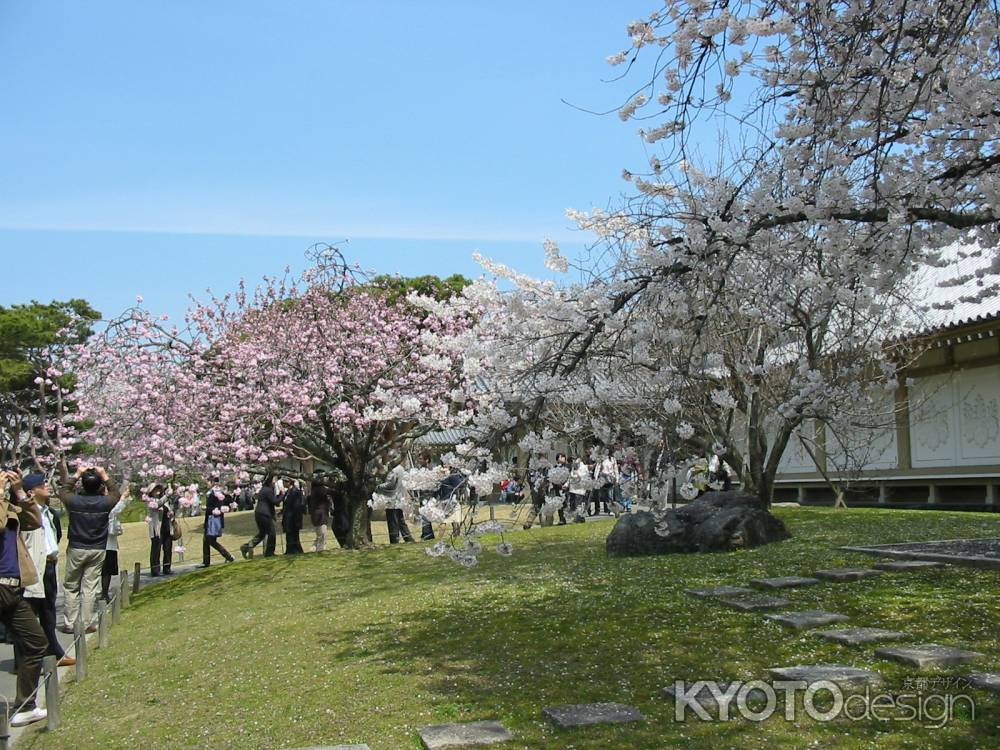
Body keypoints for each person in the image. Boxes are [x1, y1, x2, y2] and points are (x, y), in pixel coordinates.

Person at [0, 470, 51, 727]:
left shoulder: (10, 508)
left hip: (12, 589)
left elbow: (34, 521)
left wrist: (20, 491)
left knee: (36, 642)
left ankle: (25, 706)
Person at [18, 473, 74, 668]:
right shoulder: (25, 514)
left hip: (49, 564)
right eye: (42, 485)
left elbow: (55, 535)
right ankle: (24, 660)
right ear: (31, 492)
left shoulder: (49, 512)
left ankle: (54, 652)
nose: (47, 486)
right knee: (29, 615)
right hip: (34, 567)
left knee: (48, 612)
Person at [59, 463, 119, 633]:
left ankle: (70, 622)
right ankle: (86, 622)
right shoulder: (104, 503)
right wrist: (104, 474)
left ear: (82, 484)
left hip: (77, 547)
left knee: (71, 585)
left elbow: (63, 491)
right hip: (97, 548)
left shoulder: (74, 501)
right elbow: (116, 493)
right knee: (90, 586)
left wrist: (76, 473)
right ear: (99, 485)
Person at [101, 484, 130, 601]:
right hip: (104, 542)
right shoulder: (102, 504)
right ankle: (103, 593)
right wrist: (124, 498)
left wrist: (125, 498)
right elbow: (114, 511)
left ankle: (104, 592)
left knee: (106, 571)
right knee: (105, 570)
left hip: (108, 543)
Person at [375, 465, 414, 544]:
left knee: (393, 522)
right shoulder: (401, 468)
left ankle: (394, 540)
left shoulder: (393, 470)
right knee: (400, 521)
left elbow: (390, 484)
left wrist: (378, 486)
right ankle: (408, 538)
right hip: (399, 499)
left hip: (392, 499)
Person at [241, 475, 279, 558]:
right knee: (272, 533)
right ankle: (270, 552)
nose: (275, 483)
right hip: (264, 514)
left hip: (259, 513)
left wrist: (273, 515)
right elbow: (275, 502)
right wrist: (283, 495)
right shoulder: (268, 490)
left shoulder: (264, 489)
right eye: (274, 481)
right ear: (270, 482)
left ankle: (246, 547)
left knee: (262, 533)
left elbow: (270, 504)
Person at [201, 483, 236, 567]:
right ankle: (206, 561)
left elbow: (216, 508)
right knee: (206, 541)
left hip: (212, 521)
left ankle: (228, 555)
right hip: (213, 520)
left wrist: (206, 508)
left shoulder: (214, 495)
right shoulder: (217, 494)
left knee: (210, 541)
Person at [146, 485, 175, 577]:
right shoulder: (151, 501)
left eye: (159, 489)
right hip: (157, 529)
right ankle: (155, 570)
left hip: (166, 527)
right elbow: (157, 505)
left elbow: (168, 509)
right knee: (156, 549)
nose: (157, 491)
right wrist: (166, 496)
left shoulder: (165, 500)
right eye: (155, 489)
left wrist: (171, 513)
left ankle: (167, 568)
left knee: (167, 548)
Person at [306, 476, 331, 552]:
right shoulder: (321, 489)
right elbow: (333, 492)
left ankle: (314, 548)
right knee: (323, 535)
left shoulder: (313, 491)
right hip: (321, 514)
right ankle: (320, 549)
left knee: (319, 534)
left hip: (315, 515)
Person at [282, 478, 305, 554]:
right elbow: (286, 504)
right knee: (289, 535)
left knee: (293, 535)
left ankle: (295, 551)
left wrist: (297, 520)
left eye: (285, 482)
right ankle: (289, 550)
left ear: (289, 483)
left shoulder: (295, 492)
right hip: (287, 517)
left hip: (293, 518)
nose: (283, 483)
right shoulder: (287, 492)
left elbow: (297, 507)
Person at [568, 457, 589, 523]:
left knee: (578, 503)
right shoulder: (574, 467)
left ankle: (579, 517)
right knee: (573, 504)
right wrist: (567, 484)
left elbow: (584, 477)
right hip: (573, 488)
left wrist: (577, 474)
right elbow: (571, 476)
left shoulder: (584, 467)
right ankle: (579, 517)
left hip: (580, 489)